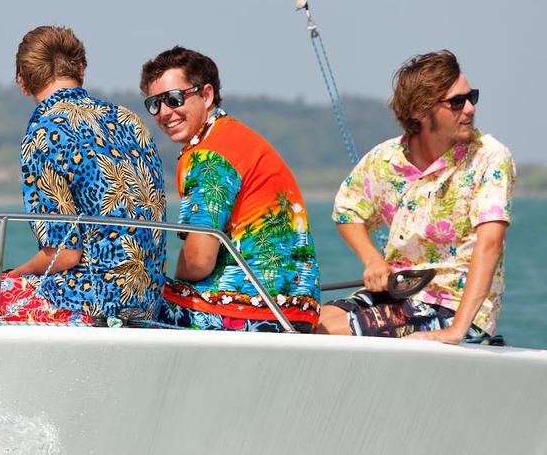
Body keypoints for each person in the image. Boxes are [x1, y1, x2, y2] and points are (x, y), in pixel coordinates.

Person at [0, 25, 167, 323]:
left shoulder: (44, 135)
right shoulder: (131, 121)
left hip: (90, 302)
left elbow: (64, 254)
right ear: (81, 69)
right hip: (147, 301)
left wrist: (13, 275)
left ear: (22, 82)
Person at [318, 50, 514, 343]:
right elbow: (347, 211)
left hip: (453, 309)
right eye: (457, 102)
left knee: (331, 332)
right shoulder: (384, 159)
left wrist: (455, 331)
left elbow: (490, 245)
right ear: (420, 112)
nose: (470, 108)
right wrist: (373, 260)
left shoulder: (489, 157)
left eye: (472, 96)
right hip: (398, 294)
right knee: (310, 321)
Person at [140, 47, 321, 332]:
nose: (164, 113)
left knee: (129, 300)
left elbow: (199, 260)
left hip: (246, 312)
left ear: (207, 95)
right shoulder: (234, 136)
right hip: (297, 311)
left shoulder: (209, 154)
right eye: (154, 104)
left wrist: (173, 279)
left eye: (174, 99)